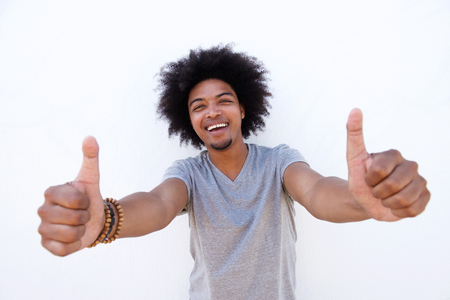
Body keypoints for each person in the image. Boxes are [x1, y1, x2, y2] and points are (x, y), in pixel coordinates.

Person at [38, 45, 430, 299]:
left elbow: (317, 193)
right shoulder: (188, 173)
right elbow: (158, 205)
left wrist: (360, 199)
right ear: (188, 120)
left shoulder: (278, 161)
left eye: (223, 101)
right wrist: (105, 219)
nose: (212, 112)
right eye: (198, 106)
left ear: (243, 109)